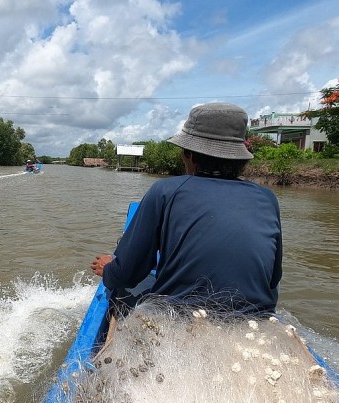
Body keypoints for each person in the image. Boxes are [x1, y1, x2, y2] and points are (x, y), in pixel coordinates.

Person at [90, 102, 282, 315]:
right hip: (257, 317)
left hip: (181, 320)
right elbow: (273, 278)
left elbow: (129, 273)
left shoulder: (165, 191)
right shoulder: (267, 198)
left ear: (190, 154)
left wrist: (108, 270)